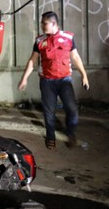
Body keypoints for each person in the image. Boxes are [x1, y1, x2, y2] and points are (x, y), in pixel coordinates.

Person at [18, 11, 89, 149]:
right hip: (47, 82)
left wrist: (84, 75)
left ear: (53, 24)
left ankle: (71, 133)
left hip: (64, 81)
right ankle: (50, 137)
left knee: (72, 108)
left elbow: (75, 57)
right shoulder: (40, 41)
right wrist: (24, 78)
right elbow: (32, 60)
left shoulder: (68, 37)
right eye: (41, 23)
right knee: (49, 111)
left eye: (45, 23)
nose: (42, 26)